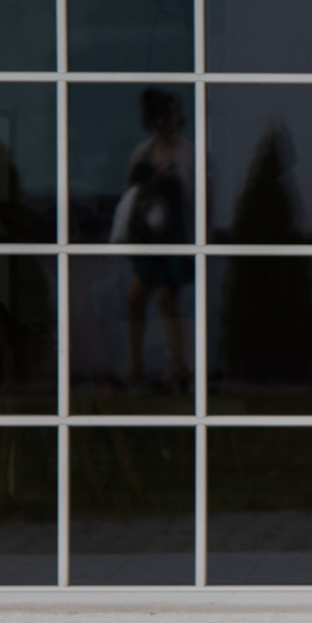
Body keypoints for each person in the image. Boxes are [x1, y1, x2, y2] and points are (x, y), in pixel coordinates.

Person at [110, 88, 192, 394]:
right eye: (172, 114)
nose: (178, 120)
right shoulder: (142, 153)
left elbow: (198, 199)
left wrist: (202, 240)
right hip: (148, 237)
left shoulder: (187, 154)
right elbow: (130, 196)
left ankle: (178, 364)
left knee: (167, 300)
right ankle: (135, 364)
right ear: (157, 120)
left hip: (174, 237)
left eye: (178, 114)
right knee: (136, 299)